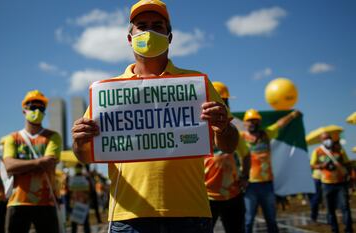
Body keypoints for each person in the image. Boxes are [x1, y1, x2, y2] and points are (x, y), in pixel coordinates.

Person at [71, 1, 239, 232]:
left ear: (169, 36)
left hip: (190, 213)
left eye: (157, 26)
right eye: (142, 26)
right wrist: (79, 140)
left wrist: (223, 128)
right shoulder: (108, 92)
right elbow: (84, 156)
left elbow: (229, 145)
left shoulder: (197, 83)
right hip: (128, 215)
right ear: (130, 38)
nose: (149, 32)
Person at [2, 90, 62, 233]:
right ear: (24, 110)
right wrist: (39, 163)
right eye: (32, 106)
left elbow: (49, 164)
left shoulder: (53, 136)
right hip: (17, 201)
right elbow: (9, 166)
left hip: (46, 202)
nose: (37, 110)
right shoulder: (12, 138)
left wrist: (20, 165)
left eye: (41, 108)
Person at [241, 109, 301, 233]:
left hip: (267, 184)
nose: (252, 123)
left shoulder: (267, 134)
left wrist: (292, 115)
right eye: (249, 121)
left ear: (260, 122)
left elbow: (280, 124)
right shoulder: (240, 137)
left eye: (255, 121)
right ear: (244, 123)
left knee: (271, 220)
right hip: (249, 186)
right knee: (248, 220)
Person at [205, 82, 250, 232]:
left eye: (225, 102)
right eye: (222, 101)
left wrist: (245, 177)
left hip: (233, 195)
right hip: (207, 197)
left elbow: (246, 154)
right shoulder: (198, 129)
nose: (224, 105)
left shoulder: (232, 130)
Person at [310, 132, 353, 233]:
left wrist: (350, 177)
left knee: (345, 207)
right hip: (326, 184)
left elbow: (347, 164)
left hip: (340, 183)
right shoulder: (317, 151)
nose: (327, 140)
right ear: (321, 141)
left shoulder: (339, 150)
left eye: (328, 138)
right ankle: (334, 229)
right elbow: (312, 165)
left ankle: (349, 229)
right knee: (330, 210)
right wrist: (322, 166)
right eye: (324, 139)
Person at [69, 164, 91, 233]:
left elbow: (69, 191)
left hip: (75, 203)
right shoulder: (85, 178)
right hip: (83, 202)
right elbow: (89, 191)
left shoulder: (72, 179)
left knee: (74, 223)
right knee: (85, 222)